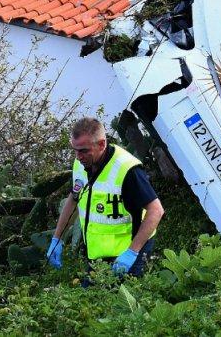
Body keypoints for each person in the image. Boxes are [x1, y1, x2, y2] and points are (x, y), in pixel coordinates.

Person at [47, 117, 164, 278]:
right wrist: (57, 238)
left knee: (123, 301)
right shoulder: (80, 164)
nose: (78, 156)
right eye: (75, 149)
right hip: (97, 255)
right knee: (91, 300)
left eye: (84, 150)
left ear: (101, 144)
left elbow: (156, 210)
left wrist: (132, 252)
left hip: (130, 252)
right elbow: (74, 199)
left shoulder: (127, 169)